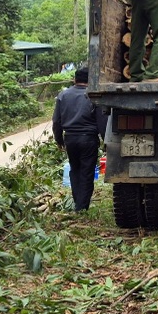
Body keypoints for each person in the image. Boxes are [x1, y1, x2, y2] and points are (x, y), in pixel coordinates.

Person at [52, 67, 106, 211]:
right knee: (87, 172)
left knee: (75, 170)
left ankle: (78, 203)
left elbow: (56, 121)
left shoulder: (63, 95)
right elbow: (101, 121)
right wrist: (106, 140)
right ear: (90, 80)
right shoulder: (93, 96)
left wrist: (59, 140)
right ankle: (82, 207)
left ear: (74, 79)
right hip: (88, 139)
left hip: (70, 139)